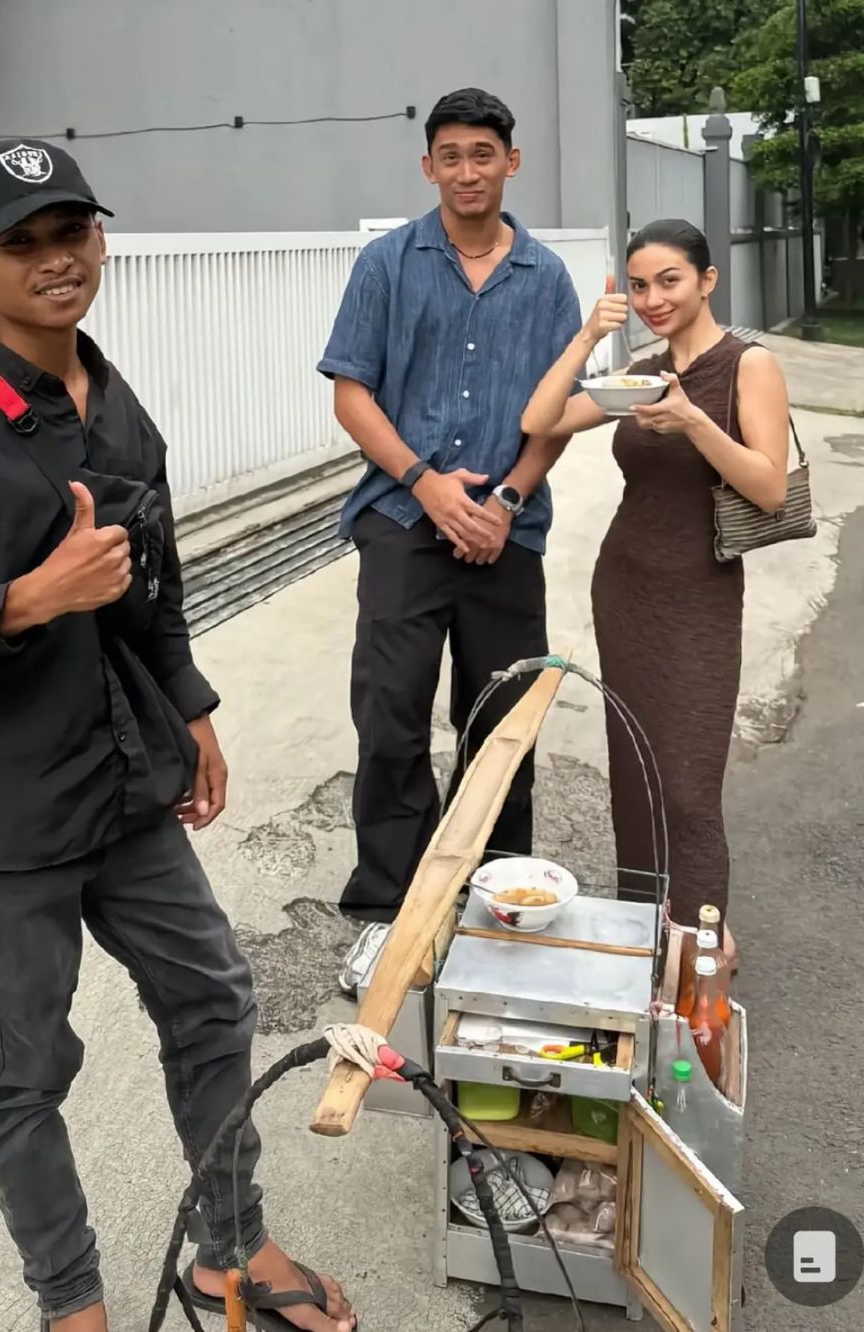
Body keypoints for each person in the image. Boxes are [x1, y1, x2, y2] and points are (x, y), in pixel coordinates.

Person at [0, 140, 355, 1332]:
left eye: (72, 233)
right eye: (21, 243)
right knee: (24, 1071)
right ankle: (73, 1304)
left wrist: (191, 706)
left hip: (126, 783)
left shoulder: (116, 404)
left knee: (213, 997)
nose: (55, 259)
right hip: (9, 817)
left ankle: (230, 1252)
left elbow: (156, 587)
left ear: (99, 241)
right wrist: (25, 600)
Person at [317, 88, 583, 977]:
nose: (468, 171)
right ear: (428, 166)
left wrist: (504, 501)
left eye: (484, 153)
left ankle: (497, 902)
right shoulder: (387, 264)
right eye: (452, 155)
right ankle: (388, 910)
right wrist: (427, 485)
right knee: (390, 716)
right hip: (403, 518)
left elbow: (557, 409)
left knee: (502, 720)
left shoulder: (546, 279)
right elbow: (352, 392)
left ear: (512, 161)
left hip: (508, 530)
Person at [521, 218, 792, 968]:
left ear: (707, 280)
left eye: (668, 280)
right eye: (639, 285)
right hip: (626, 586)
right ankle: (649, 930)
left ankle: (702, 941)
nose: (652, 298)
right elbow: (539, 419)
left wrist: (694, 421)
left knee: (688, 784)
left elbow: (770, 487)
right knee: (636, 773)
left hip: (701, 591)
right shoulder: (639, 374)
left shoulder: (748, 365)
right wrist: (587, 336)